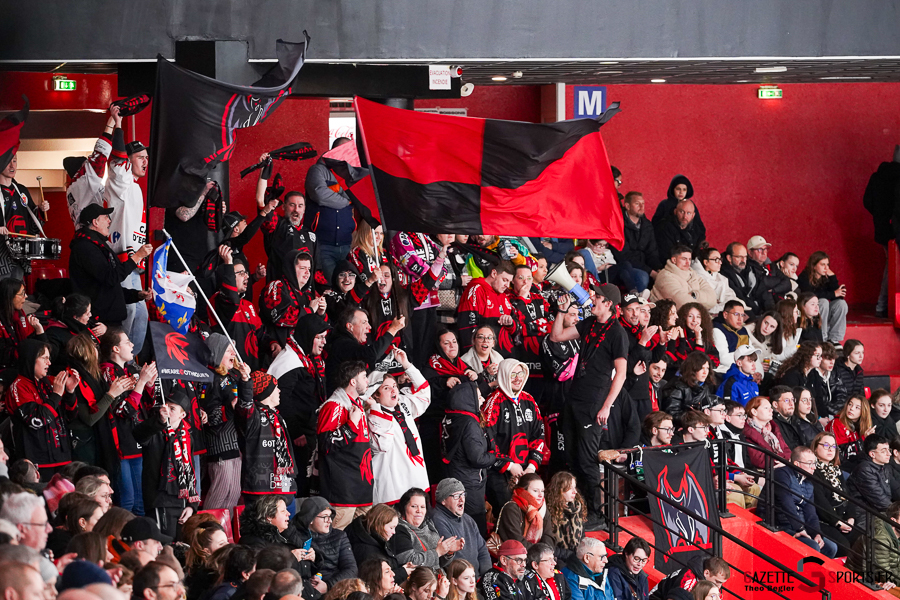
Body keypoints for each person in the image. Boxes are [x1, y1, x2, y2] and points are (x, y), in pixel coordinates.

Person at [549, 287, 628, 529]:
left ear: (609, 303)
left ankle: (596, 514)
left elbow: (622, 374)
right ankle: (578, 509)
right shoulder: (590, 323)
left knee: (586, 460)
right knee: (571, 457)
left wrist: (606, 406)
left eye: (598, 298)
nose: (592, 300)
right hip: (574, 397)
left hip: (594, 403)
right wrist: (561, 311)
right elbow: (556, 337)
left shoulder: (617, 333)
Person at [101, 107, 149, 354]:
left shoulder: (137, 188)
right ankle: (118, 359)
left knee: (141, 314)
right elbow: (117, 157)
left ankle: (131, 363)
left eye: (146, 158)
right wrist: (118, 123)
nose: (145, 162)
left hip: (134, 261)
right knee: (128, 310)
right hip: (120, 258)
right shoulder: (120, 179)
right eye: (140, 157)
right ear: (127, 162)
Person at [267, 313, 329, 497]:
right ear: (309, 335)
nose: (324, 342)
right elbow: (280, 400)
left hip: (304, 432)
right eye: (320, 337)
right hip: (295, 438)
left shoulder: (302, 358)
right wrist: (296, 433)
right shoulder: (289, 361)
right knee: (298, 483)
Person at [99, 327, 156, 516]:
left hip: (138, 441)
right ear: (115, 349)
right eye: (127, 342)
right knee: (127, 501)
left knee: (140, 503)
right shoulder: (108, 371)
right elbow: (123, 410)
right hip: (121, 443)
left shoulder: (131, 369)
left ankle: (138, 544)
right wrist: (141, 383)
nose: (132, 345)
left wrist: (148, 385)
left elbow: (147, 406)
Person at [68, 204, 153, 327]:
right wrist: (137, 257)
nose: (109, 220)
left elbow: (109, 288)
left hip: (107, 318)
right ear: (95, 222)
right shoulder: (86, 247)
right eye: (106, 217)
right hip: (99, 322)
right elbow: (110, 278)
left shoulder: (96, 244)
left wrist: (137, 295)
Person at [366, 350, 431, 506]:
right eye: (387, 388)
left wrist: (407, 365)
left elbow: (424, 394)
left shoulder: (402, 402)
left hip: (417, 479)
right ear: (375, 394)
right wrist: (375, 409)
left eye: (394, 385)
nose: (394, 390)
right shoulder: (371, 414)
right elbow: (382, 445)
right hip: (393, 488)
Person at [132, 387, 199, 539]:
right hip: (159, 501)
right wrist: (160, 421)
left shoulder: (187, 437)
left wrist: (191, 506)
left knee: (182, 547)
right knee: (165, 546)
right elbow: (138, 434)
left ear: (183, 415)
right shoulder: (155, 429)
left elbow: (191, 471)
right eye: (166, 406)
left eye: (172, 408)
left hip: (181, 502)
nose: (167, 410)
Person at [481, 359, 546, 512]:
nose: (518, 378)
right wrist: (509, 465)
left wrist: (531, 466)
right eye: (513, 374)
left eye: (521, 373)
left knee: (536, 511)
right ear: (503, 376)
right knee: (508, 512)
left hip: (526, 469)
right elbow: (486, 441)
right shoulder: (493, 402)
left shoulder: (529, 400)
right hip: (499, 471)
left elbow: (539, 435)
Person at [6, 339, 78, 476]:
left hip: (63, 459)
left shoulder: (49, 382)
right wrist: (56, 394)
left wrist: (70, 392)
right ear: (31, 359)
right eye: (44, 358)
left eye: (49, 359)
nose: (49, 363)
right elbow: (36, 421)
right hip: (38, 463)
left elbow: (71, 416)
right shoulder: (19, 386)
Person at [317, 361, 375, 530]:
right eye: (364, 377)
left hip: (362, 488)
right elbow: (325, 445)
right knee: (337, 540)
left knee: (361, 539)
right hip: (343, 492)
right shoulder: (333, 406)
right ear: (353, 381)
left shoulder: (358, 406)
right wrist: (351, 425)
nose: (368, 381)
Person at [200, 334, 251, 511]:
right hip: (219, 444)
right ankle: (204, 532)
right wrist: (230, 407)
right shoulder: (208, 378)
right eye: (229, 350)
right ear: (217, 352)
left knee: (235, 493)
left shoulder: (233, 375)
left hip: (235, 443)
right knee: (220, 493)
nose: (233, 354)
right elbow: (209, 416)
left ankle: (224, 535)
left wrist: (246, 380)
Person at [439, 382, 495, 537]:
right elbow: (478, 458)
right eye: (478, 397)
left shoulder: (452, 416)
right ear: (467, 399)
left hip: (455, 479)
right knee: (476, 531)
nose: (483, 399)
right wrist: (495, 455)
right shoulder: (469, 422)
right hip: (469, 485)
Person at [236, 371, 297, 501]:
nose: (280, 391)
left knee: (287, 518)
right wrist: (246, 381)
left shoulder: (277, 416)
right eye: (276, 387)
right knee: (264, 520)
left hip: (283, 485)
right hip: (260, 489)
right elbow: (245, 404)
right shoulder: (253, 416)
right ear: (267, 392)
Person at [391, 232, 450, 365]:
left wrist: (434, 276)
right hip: (413, 299)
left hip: (431, 299)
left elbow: (444, 263)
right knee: (414, 345)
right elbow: (410, 261)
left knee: (428, 346)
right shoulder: (402, 236)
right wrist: (432, 273)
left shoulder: (426, 237)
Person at [768, 446, 838, 557]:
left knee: (831, 548)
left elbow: (811, 512)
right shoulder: (782, 474)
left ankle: (815, 573)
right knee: (813, 547)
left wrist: (816, 534)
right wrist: (799, 528)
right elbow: (786, 502)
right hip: (778, 525)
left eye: (814, 463)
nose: (814, 467)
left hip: (798, 526)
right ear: (797, 464)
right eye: (809, 463)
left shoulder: (808, 483)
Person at [207, 251, 269, 371]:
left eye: (246, 273)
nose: (246, 276)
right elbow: (231, 298)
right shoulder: (218, 300)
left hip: (251, 371)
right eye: (241, 273)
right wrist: (228, 263)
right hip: (229, 371)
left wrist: (272, 344)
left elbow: (261, 334)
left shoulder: (248, 305)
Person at [305, 139, 355, 281]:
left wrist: (336, 193)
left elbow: (357, 195)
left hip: (347, 242)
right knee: (329, 287)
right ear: (334, 151)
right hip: (322, 244)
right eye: (344, 151)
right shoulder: (317, 170)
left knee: (347, 287)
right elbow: (320, 195)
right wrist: (346, 200)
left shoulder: (350, 172)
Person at [324, 307, 404, 396]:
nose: (369, 327)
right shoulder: (342, 343)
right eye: (364, 322)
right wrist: (393, 329)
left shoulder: (346, 341)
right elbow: (371, 354)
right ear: (350, 326)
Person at [262, 250, 326, 347]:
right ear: (290, 269)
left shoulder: (309, 295)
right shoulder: (276, 286)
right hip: (278, 350)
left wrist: (320, 314)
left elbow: (319, 332)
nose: (307, 272)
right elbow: (280, 317)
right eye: (302, 268)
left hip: (302, 353)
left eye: (309, 268)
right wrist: (310, 310)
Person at [291, 497, 357, 589]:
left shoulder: (340, 536)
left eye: (330, 516)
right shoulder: (294, 536)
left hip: (335, 588)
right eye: (324, 517)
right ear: (310, 519)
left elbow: (351, 569)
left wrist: (328, 586)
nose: (329, 521)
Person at [431, 478, 492, 577]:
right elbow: (454, 560)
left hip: (476, 580)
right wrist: (473, 580)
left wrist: (487, 577)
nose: (462, 499)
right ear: (443, 500)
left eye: (463, 494)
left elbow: (482, 550)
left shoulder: (467, 519)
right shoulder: (438, 520)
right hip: (461, 582)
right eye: (456, 496)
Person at [392, 488, 462, 570]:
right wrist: (437, 552)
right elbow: (409, 562)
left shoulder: (429, 525)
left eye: (422, 507)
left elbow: (438, 563)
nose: (419, 511)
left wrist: (448, 552)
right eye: (414, 506)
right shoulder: (399, 530)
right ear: (404, 508)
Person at [810, 432, 857, 556]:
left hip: (843, 518)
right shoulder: (812, 470)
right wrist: (837, 522)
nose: (831, 449)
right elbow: (820, 501)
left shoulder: (836, 470)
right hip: (824, 521)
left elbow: (848, 496)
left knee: (864, 539)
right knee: (844, 548)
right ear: (815, 448)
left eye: (833, 446)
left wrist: (851, 518)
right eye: (826, 445)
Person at [260, 184, 317, 284]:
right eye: (292, 205)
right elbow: (263, 209)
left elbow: (317, 268)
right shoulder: (277, 225)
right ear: (283, 206)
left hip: (304, 293)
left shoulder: (311, 235)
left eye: (300, 206)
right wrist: (264, 178)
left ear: (304, 209)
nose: (296, 209)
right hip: (280, 290)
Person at [456, 261, 517, 354]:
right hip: (485, 358)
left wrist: (510, 324)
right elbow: (466, 328)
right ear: (494, 273)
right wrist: (473, 358)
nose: (507, 286)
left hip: (506, 357)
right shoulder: (476, 290)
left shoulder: (503, 296)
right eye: (505, 280)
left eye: (509, 282)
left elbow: (516, 327)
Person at [344, 504, 410, 585]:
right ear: (379, 526)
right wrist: (403, 572)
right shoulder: (366, 551)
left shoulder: (371, 536)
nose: (394, 532)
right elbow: (376, 581)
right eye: (391, 528)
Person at [846, 434, 900, 530]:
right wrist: (897, 513)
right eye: (884, 451)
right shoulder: (864, 470)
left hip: (880, 513)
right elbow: (880, 501)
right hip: (865, 517)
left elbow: (895, 490)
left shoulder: (884, 467)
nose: (889, 454)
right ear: (872, 454)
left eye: (889, 450)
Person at [45, 293, 105, 375]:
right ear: (75, 317)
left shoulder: (84, 324)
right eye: (87, 313)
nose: (90, 315)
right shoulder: (54, 334)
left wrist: (104, 328)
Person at [613, 192, 661, 293]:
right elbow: (623, 256)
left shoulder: (647, 225)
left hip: (645, 266)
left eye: (643, 203)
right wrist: (650, 272)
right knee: (643, 278)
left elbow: (652, 252)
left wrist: (658, 269)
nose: (641, 207)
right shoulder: (618, 224)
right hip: (625, 268)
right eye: (637, 204)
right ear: (627, 206)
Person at [847, 500, 900, 591]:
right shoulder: (880, 538)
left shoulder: (895, 535)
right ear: (893, 521)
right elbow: (883, 574)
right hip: (863, 578)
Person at [798, 252, 848, 346]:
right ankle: (823, 339)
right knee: (823, 302)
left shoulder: (826, 276)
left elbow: (838, 295)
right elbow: (811, 296)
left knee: (841, 304)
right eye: (823, 264)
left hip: (824, 312)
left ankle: (834, 339)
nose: (826, 268)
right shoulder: (804, 276)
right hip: (809, 313)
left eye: (827, 264)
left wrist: (833, 277)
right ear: (814, 266)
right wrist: (833, 293)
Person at [649, 245, 716, 311]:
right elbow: (684, 304)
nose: (688, 263)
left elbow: (713, 299)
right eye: (684, 259)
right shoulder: (665, 276)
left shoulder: (693, 274)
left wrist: (695, 295)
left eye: (689, 259)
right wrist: (703, 305)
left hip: (692, 317)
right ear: (674, 260)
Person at [0, 278, 46, 373]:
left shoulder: (20, 314)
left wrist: (39, 332)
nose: (25, 296)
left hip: (23, 365)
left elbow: (39, 345)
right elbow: (3, 356)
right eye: (21, 294)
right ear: (9, 296)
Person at [660, 351, 717, 425]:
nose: (705, 372)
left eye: (707, 368)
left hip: (698, 427)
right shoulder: (677, 387)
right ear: (692, 369)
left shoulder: (705, 387)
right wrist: (695, 418)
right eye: (702, 368)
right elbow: (671, 414)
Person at [496, 474, 549, 548]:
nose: (540, 495)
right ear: (523, 491)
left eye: (542, 491)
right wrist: (539, 552)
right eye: (535, 491)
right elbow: (517, 542)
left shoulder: (542, 509)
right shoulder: (511, 509)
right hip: (516, 556)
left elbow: (549, 537)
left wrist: (545, 552)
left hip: (540, 554)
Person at [742, 396, 790, 468]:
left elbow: (787, 451)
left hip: (781, 468)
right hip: (766, 474)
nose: (771, 410)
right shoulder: (747, 432)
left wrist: (784, 461)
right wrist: (784, 461)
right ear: (754, 412)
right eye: (766, 408)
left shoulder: (774, 429)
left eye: (770, 408)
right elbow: (760, 460)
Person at [825, 395, 873, 469]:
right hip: (838, 465)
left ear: (863, 412)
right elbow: (842, 453)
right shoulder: (837, 423)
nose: (851, 409)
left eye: (857, 407)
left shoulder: (858, 427)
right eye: (850, 404)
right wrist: (863, 439)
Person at [719, 243, 767, 316]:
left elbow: (763, 290)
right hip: (741, 310)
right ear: (729, 258)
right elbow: (740, 296)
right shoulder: (724, 273)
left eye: (745, 257)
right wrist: (759, 313)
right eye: (739, 257)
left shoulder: (751, 268)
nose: (743, 260)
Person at [649, 557, 729, 600]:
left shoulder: (703, 577)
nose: (719, 586)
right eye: (717, 581)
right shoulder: (687, 580)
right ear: (706, 573)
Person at [691, 247, 737, 315]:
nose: (720, 263)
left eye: (720, 259)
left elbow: (730, 295)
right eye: (716, 259)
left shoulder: (721, 278)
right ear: (706, 262)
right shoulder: (696, 278)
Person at [744, 311, 786, 383]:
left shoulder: (772, 337)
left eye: (772, 327)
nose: (767, 328)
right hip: (751, 370)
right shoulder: (747, 331)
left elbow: (773, 356)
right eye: (766, 323)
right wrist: (758, 366)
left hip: (765, 371)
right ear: (761, 320)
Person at [711, 300, 751, 376]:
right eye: (736, 314)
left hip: (742, 369)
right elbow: (723, 358)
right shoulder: (717, 329)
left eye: (742, 315)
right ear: (725, 315)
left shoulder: (743, 330)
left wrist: (757, 372)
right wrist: (746, 364)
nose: (740, 319)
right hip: (723, 371)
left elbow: (753, 353)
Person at [809, 342, 847, 421]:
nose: (832, 362)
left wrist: (837, 414)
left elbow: (842, 395)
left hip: (836, 413)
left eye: (833, 358)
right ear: (819, 358)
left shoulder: (834, 372)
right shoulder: (812, 375)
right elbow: (818, 402)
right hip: (820, 416)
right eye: (828, 359)